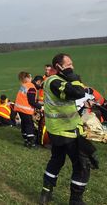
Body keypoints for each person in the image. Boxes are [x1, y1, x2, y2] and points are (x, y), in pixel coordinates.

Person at [39, 53, 93, 204]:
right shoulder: (54, 81)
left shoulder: (58, 80)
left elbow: (78, 90)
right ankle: (76, 200)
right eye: (68, 65)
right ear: (58, 66)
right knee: (82, 165)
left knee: (57, 159)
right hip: (66, 132)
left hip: (57, 130)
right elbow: (78, 92)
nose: (72, 67)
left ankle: (46, 192)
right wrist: (72, 76)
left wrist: (72, 78)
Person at [14, 72, 42, 148]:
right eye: (30, 77)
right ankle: (31, 143)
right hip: (25, 110)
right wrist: (40, 107)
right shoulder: (31, 87)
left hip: (19, 108)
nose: (31, 78)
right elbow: (31, 101)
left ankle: (26, 140)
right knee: (30, 126)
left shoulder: (24, 85)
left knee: (24, 124)